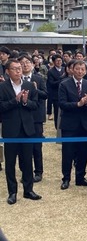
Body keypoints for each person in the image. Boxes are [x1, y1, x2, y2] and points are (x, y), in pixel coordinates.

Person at [0, 59, 41, 205]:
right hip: (11, 131)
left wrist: (24, 101)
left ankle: (28, 190)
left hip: (27, 130)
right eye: (15, 68)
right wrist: (15, 101)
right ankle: (12, 192)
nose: (19, 71)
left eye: (20, 68)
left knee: (27, 162)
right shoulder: (2, 87)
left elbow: (35, 105)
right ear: (7, 71)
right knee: (10, 163)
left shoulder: (29, 85)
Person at [58, 60, 87, 190]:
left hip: (85, 123)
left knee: (83, 152)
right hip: (69, 123)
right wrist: (78, 104)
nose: (80, 71)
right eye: (77, 69)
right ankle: (66, 178)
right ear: (72, 70)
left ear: (85, 71)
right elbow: (62, 104)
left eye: (82, 69)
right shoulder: (64, 84)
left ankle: (80, 177)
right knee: (67, 152)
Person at [19, 55, 47, 182]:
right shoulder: (15, 80)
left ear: (32, 64)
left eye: (27, 62)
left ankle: (38, 171)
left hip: (36, 117)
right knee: (22, 147)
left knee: (36, 146)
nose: (25, 65)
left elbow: (45, 95)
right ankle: (25, 172)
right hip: (20, 117)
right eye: (22, 63)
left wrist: (35, 89)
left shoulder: (38, 78)